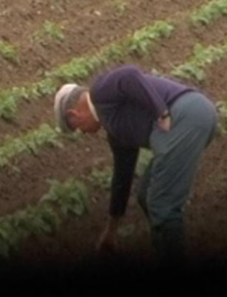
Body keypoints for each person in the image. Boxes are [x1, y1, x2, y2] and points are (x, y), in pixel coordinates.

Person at [52, 64, 218, 265]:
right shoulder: (116, 129)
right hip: (189, 119)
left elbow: (129, 75)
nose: (83, 133)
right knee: (146, 194)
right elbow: (122, 176)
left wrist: (161, 113)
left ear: (74, 115)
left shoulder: (99, 93)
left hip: (184, 116)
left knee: (162, 203)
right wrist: (111, 230)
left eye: (77, 128)